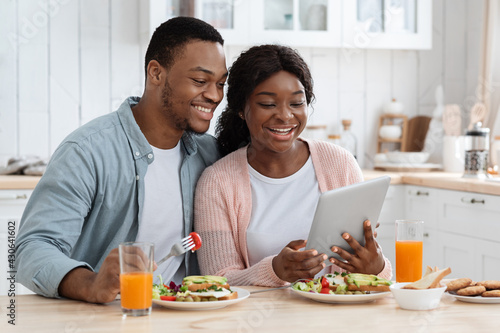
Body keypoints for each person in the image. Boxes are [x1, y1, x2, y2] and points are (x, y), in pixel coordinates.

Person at [15, 17, 228, 303]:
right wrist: (90, 283)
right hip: (107, 319)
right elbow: (31, 248)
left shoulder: (210, 155)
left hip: (185, 316)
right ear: (156, 73)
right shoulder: (87, 151)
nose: (215, 95)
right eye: (200, 81)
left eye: (221, 83)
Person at [194, 45, 392, 286]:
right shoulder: (217, 182)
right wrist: (275, 270)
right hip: (254, 322)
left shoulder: (340, 164)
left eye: (297, 104)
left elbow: (368, 278)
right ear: (241, 110)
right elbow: (216, 282)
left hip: (335, 319)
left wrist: (376, 267)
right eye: (268, 104)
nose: (285, 116)